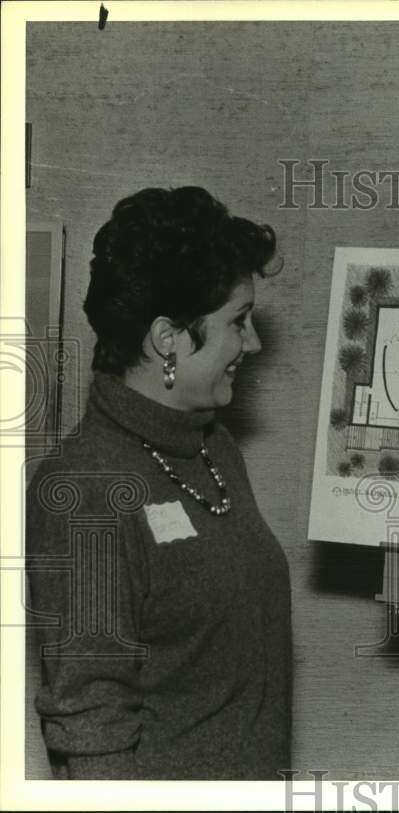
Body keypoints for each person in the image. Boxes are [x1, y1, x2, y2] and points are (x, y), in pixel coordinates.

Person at [26, 187, 291, 779]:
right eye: (238, 322)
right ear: (167, 337)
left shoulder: (214, 448)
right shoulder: (83, 489)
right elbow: (91, 725)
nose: (253, 343)